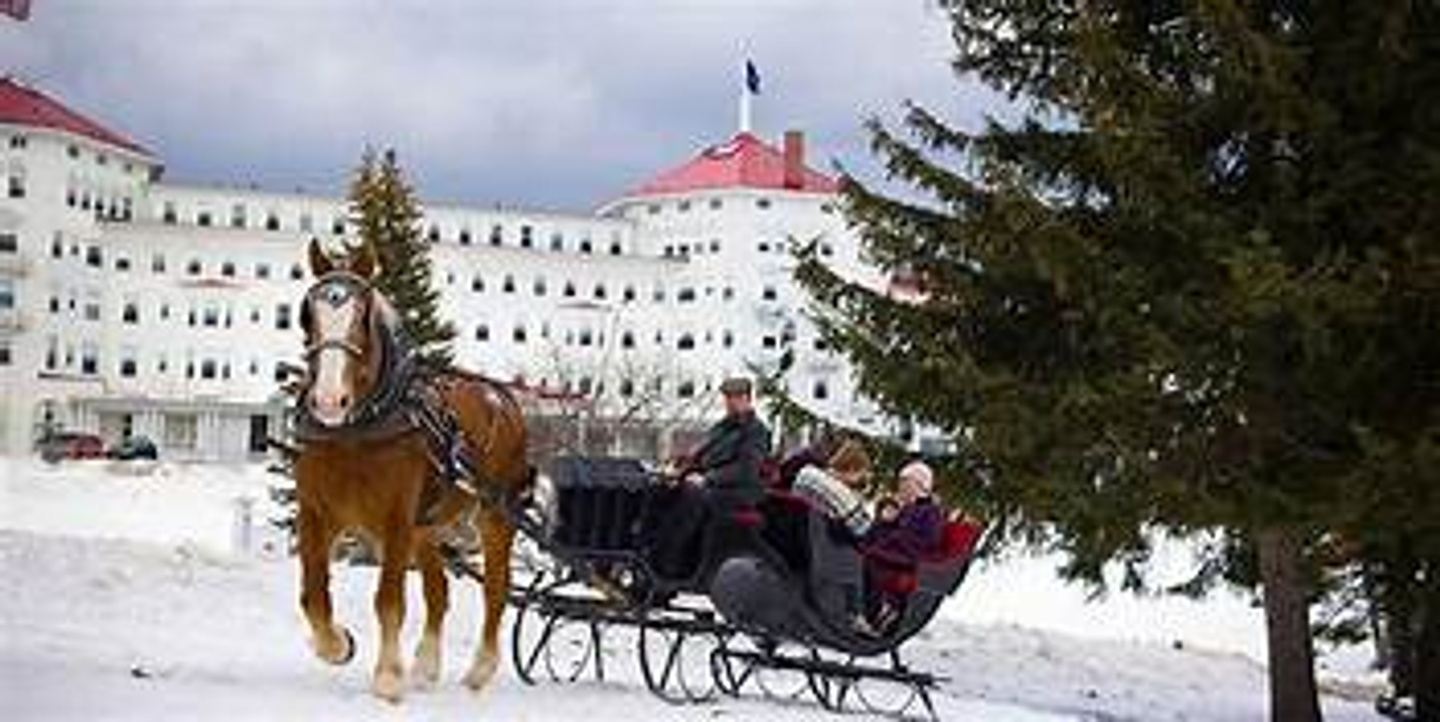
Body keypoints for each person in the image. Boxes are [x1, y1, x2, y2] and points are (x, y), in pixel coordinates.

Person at [647, 377, 772, 579]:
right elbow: (702, 456)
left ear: (748, 399)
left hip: (739, 491)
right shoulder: (722, 427)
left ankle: (669, 564)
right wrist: (680, 468)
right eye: (728, 397)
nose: (730, 402)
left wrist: (708, 478)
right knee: (659, 488)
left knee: (693, 495)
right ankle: (645, 547)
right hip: (712, 486)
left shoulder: (756, 431)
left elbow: (745, 469)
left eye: (736, 397)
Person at [863, 460, 945, 631]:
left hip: (912, 557)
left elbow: (929, 540)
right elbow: (879, 534)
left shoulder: (930, 511)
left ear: (921, 486)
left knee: (870, 560)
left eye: (906, 483)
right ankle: (869, 609)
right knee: (863, 554)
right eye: (901, 482)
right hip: (895, 551)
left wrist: (893, 539)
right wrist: (884, 522)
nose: (901, 487)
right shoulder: (905, 508)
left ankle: (881, 609)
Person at [792, 439, 876, 538]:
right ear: (852, 469)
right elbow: (862, 528)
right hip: (820, 546)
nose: (860, 480)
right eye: (861, 475)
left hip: (794, 538)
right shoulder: (842, 494)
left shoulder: (806, 472)